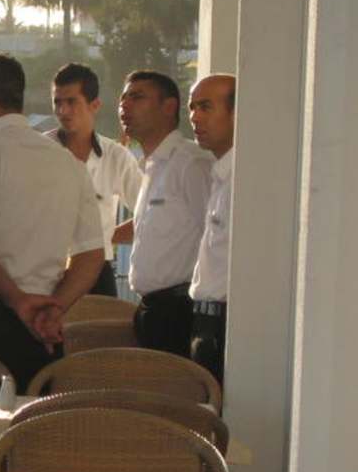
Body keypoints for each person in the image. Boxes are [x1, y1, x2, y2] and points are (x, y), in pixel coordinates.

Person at [0, 54, 105, 390]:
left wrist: (17, 300)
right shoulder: (69, 163)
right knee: (30, 421)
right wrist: (55, 310)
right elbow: (91, 256)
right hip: (39, 326)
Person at [119, 70, 214, 357]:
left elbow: (215, 236)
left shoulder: (191, 163)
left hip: (181, 311)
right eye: (123, 99)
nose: (125, 106)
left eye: (137, 97)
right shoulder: (152, 166)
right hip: (152, 311)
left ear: (169, 106)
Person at [47, 62, 142, 298]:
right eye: (57, 102)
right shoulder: (39, 152)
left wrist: (103, 237)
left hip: (98, 273)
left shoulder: (116, 156)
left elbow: (149, 217)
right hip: (46, 270)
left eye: (71, 102)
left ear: (95, 105)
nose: (63, 111)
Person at [188, 73, 237, 383]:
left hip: (227, 325)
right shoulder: (220, 174)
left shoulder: (243, 178)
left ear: (237, 113)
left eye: (206, 107)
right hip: (203, 321)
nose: (195, 117)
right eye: (192, 108)